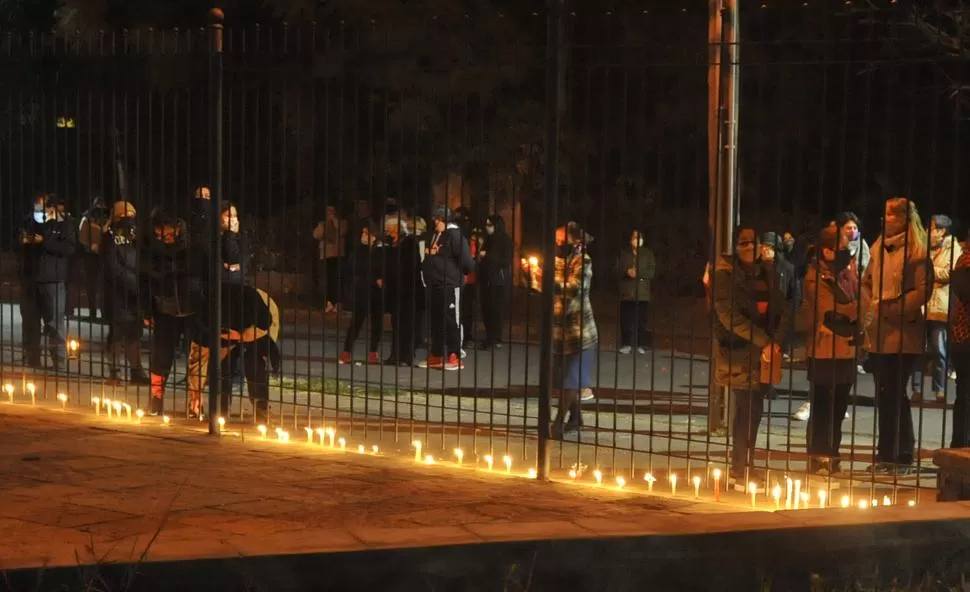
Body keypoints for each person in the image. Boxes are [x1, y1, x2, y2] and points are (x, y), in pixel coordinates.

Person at [710, 227, 789, 490]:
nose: (748, 247)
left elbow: (783, 307)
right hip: (739, 351)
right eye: (742, 243)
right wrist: (765, 340)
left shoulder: (768, 272)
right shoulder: (725, 275)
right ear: (735, 246)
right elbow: (728, 315)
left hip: (765, 353)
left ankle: (744, 467)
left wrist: (775, 340)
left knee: (754, 411)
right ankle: (741, 469)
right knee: (747, 410)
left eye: (752, 243)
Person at [861, 196, 930, 475]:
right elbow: (867, 281)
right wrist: (870, 303)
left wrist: (892, 308)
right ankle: (885, 454)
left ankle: (902, 454)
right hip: (879, 331)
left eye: (891, 215)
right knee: (884, 393)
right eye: (885, 214)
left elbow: (922, 290)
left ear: (903, 219)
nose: (885, 219)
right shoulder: (878, 247)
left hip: (904, 333)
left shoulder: (916, 252)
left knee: (895, 393)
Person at [796, 223, 868, 475]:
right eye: (840, 247)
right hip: (824, 350)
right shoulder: (815, 276)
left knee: (839, 408)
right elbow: (829, 311)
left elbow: (864, 301)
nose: (846, 251)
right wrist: (853, 312)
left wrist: (855, 312)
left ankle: (833, 454)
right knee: (822, 406)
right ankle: (817, 456)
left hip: (846, 350)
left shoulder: (847, 272)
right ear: (826, 251)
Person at [186, 283, 281, 423]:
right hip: (227, 325)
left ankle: (262, 409)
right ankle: (220, 411)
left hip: (259, 322)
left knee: (254, 363)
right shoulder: (204, 324)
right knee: (224, 367)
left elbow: (264, 323)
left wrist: (241, 336)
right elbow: (197, 361)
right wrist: (196, 393)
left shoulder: (254, 305)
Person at [546, 222, 599, 438]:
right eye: (556, 240)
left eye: (561, 239)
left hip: (580, 330)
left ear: (575, 240)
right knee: (565, 376)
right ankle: (576, 418)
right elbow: (545, 286)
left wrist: (551, 281)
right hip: (560, 329)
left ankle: (558, 422)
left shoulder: (582, 260)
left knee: (571, 378)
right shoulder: (559, 260)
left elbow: (575, 288)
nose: (558, 243)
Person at [146, 209, 197, 416]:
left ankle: (196, 402)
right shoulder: (153, 251)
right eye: (158, 235)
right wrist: (147, 310)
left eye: (165, 234)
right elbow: (146, 280)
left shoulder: (192, 248)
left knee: (196, 359)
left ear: (176, 228)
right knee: (161, 355)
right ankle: (156, 397)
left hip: (192, 308)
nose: (162, 238)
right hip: (164, 309)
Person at [18, 193, 76, 369]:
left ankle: (58, 361)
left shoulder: (64, 223)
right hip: (30, 278)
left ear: (52, 208)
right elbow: (17, 244)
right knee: (30, 322)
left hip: (53, 279)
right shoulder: (29, 221)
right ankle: (32, 358)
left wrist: (44, 242)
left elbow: (69, 248)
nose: (39, 211)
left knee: (54, 324)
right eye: (37, 207)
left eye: (42, 207)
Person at [912, 214, 963, 402]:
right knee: (917, 350)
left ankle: (940, 391)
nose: (927, 231)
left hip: (940, 306)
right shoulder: (924, 247)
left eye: (931, 228)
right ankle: (916, 389)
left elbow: (951, 273)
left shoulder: (953, 249)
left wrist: (929, 270)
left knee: (939, 350)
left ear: (942, 231)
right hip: (921, 305)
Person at [418, 205, 474, 371]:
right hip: (434, 284)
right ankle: (436, 354)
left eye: (437, 219)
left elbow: (466, 262)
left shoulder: (455, 236)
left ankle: (454, 354)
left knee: (451, 320)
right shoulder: (436, 235)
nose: (435, 222)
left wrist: (460, 274)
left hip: (449, 284)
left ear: (444, 220)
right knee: (436, 320)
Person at [101, 201, 149, 384]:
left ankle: (137, 371)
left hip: (136, 292)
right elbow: (112, 266)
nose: (129, 218)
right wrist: (132, 284)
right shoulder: (110, 236)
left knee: (135, 333)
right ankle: (115, 372)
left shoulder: (138, 234)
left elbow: (145, 259)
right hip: (118, 293)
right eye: (124, 214)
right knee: (118, 333)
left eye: (131, 213)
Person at [338, 226, 384, 365]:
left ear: (373, 236)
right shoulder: (359, 250)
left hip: (377, 291)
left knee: (377, 322)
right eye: (362, 232)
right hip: (362, 289)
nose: (362, 235)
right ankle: (346, 352)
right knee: (356, 322)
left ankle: (373, 352)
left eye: (365, 233)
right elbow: (351, 267)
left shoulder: (380, 250)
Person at [380, 214, 422, 366]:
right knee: (396, 322)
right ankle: (395, 354)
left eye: (390, 230)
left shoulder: (410, 243)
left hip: (408, 289)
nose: (388, 233)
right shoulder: (392, 244)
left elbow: (411, 266)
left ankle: (407, 355)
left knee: (407, 323)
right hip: (394, 289)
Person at [617, 229, 657, 354]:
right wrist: (626, 272)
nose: (637, 240)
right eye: (634, 237)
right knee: (626, 319)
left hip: (642, 293)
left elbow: (651, 272)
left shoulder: (648, 254)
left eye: (639, 237)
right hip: (627, 292)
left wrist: (638, 273)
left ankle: (642, 344)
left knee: (642, 320)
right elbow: (616, 268)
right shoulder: (624, 253)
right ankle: (626, 343)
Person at [478, 214, 513, 349]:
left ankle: (494, 338)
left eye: (490, 225)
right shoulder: (489, 239)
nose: (487, 228)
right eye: (486, 225)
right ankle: (490, 336)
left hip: (498, 280)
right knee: (486, 308)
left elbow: (505, 260)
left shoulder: (505, 240)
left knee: (495, 309)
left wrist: (488, 255)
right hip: (486, 278)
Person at [948, 233, 970, 447]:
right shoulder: (966, 261)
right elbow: (964, 292)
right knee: (965, 394)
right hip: (966, 338)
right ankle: (961, 444)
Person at [77, 195, 110, 320]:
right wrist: (90, 246)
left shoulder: (108, 217)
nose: (101, 209)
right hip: (90, 255)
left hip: (105, 255)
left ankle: (106, 312)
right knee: (92, 285)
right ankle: (92, 312)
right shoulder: (87, 217)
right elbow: (82, 236)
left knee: (105, 285)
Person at [312, 205, 347, 312]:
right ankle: (329, 302)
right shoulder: (323, 224)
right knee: (327, 279)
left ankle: (338, 302)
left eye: (331, 211)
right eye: (327, 211)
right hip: (326, 255)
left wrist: (334, 220)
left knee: (337, 279)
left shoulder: (342, 222)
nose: (329, 213)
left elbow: (342, 231)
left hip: (337, 255)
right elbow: (316, 235)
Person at [220, 202, 252, 287]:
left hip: (240, 283)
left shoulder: (241, 237)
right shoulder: (212, 238)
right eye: (229, 216)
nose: (233, 220)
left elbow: (240, 264)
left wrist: (231, 234)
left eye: (235, 216)